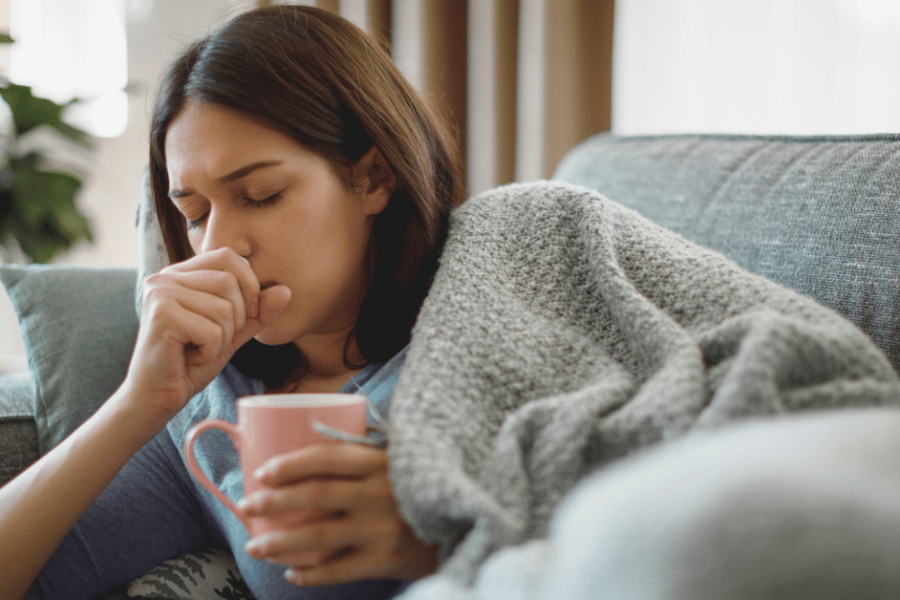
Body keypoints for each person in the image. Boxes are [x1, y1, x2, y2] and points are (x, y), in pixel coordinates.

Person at [0, 5, 462, 600]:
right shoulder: (213, 416)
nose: (218, 246)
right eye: (194, 214)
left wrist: (441, 542)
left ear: (373, 178)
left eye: (261, 195)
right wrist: (136, 406)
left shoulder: (474, 343)